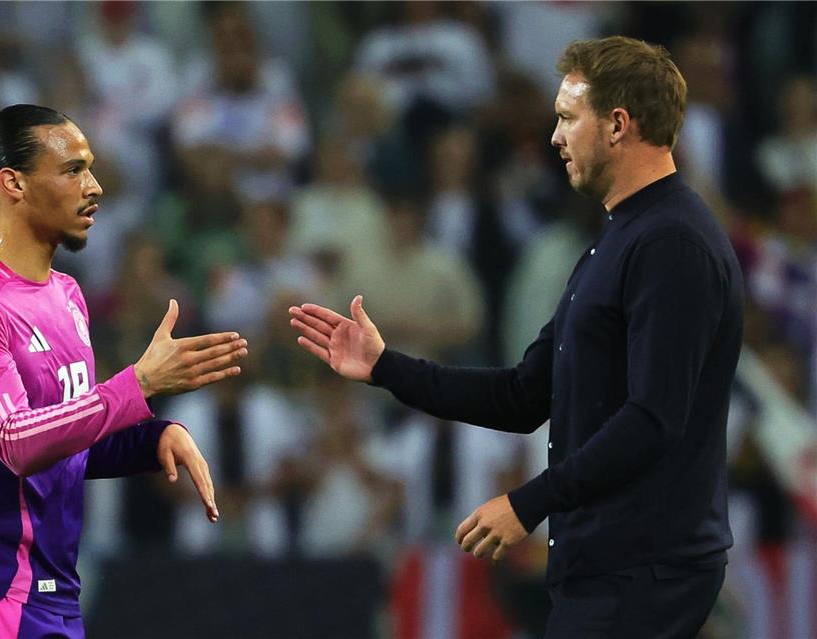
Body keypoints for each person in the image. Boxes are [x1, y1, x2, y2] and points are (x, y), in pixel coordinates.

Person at [289, 36, 744, 638]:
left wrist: (528, 504)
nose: (553, 138)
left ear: (617, 125)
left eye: (566, 119)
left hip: (643, 571)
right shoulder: (619, 239)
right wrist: (385, 366)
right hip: (608, 569)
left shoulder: (671, 245)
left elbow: (654, 418)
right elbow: (524, 395)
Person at [0, 104, 249, 638]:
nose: (94, 186)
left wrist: (151, 439)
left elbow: (65, 441)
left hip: (55, 599)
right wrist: (137, 385)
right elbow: (16, 441)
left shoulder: (68, 296)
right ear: (13, 183)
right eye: (73, 170)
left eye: (90, 168)